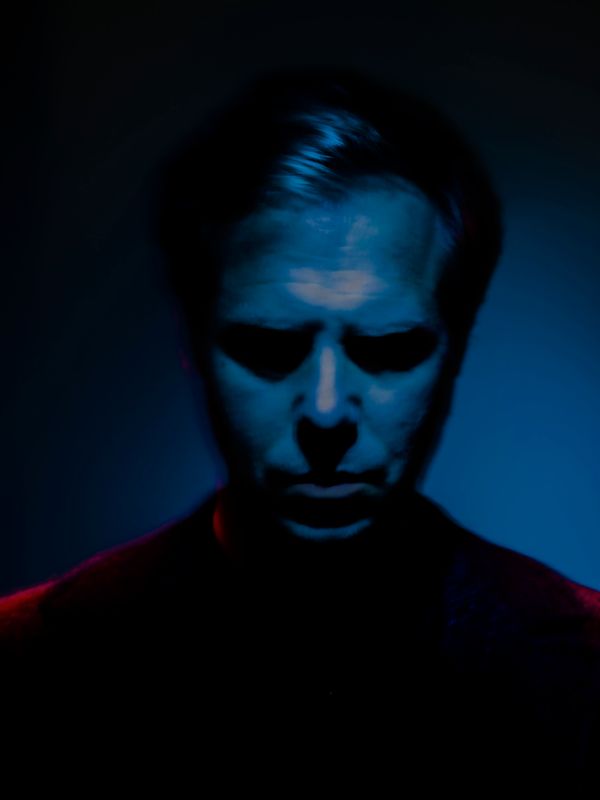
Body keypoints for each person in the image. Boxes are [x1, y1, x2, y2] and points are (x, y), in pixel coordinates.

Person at [1, 67, 599, 780]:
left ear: (457, 350)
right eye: (269, 346)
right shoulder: (26, 665)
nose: (325, 410)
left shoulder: (584, 671)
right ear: (193, 345)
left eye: (388, 348)